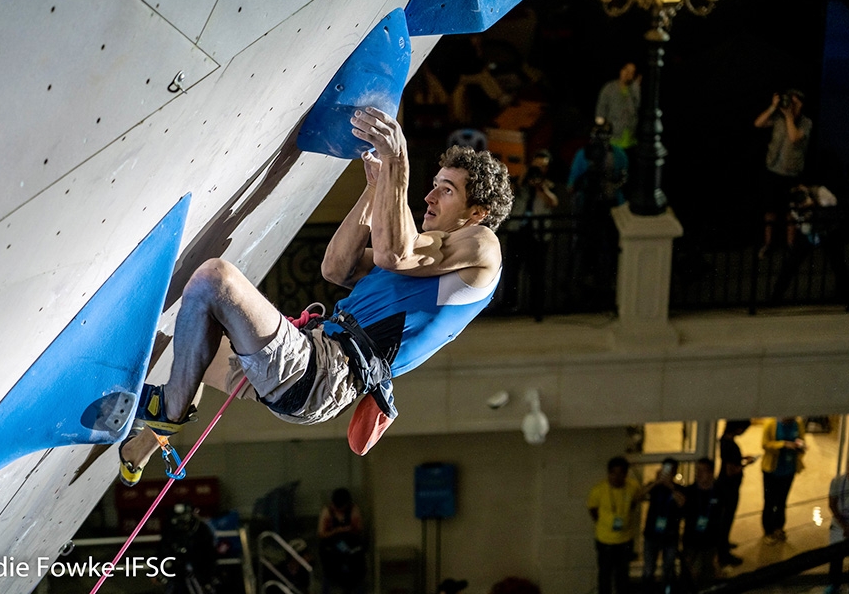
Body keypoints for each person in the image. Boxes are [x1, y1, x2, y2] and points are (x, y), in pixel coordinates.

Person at [118, 106, 514, 485]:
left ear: (477, 213)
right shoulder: (425, 256)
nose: (428, 198)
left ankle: (168, 410)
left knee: (214, 279)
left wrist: (398, 163)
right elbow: (336, 268)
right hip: (314, 359)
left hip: (324, 372)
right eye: (432, 186)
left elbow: (396, 251)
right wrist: (375, 189)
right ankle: (140, 450)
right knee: (191, 347)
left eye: (445, 191)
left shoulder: (482, 245)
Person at [568, 118, 628, 308]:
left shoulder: (618, 154)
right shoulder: (583, 154)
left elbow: (623, 178)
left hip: (610, 206)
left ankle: (606, 285)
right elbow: (571, 185)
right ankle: (582, 285)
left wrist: (611, 180)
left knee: (608, 247)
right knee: (585, 248)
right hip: (588, 207)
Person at [753, 89, 812, 259]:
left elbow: (794, 138)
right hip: (773, 172)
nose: (790, 106)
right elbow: (758, 123)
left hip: (792, 174)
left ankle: (790, 246)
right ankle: (768, 244)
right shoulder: (778, 118)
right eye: (789, 101)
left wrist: (790, 116)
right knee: (770, 210)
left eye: (794, 102)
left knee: (791, 212)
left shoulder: (805, 123)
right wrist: (773, 107)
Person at [769, 184, 849, 306]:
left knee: (838, 264)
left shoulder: (819, 191)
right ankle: (775, 297)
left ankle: (845, 296)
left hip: (828, 231)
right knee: (791, 263)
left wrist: (814, 203)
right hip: (809, 232)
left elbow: (833, 205)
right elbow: (795, 219)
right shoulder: (793, 200)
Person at [501, 149, 558, 317]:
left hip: (537, 234)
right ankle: (509, 305)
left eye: (542, 166)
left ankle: (536, 307)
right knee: (511, 270)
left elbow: (553, 202)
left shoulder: (548, 185)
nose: (538, 169)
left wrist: (540, 187)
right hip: (517, 231)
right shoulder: (521, 184)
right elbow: (508, 195)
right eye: (536, 165)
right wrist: (522, 178)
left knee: (537, 273)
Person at [588, 456, 643, 594]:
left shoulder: (632, 487)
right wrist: (605, 523)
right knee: (605, 576)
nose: (617, 477)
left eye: (621, 473)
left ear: (625, 474)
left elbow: (635, 502)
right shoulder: (598, 490)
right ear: (609, 473)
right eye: (613, 473)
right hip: (605, 540)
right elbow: (593, 509)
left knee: (623, 576)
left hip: (625, 540)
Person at [640, 458, 686, 594]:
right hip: (651, 536)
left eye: (670, 470)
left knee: (668, 570)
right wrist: (656, 482)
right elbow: (639, 496)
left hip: (670, 537)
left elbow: (682, 502)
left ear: (675, 472)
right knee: (648, 570)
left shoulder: (679, 489)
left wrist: (670, 486)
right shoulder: (655, 487)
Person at [715, 420, 756, 567]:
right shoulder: (730, 445)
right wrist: (746, 463)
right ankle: (723, 554)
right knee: (726, 519)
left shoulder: (724, 440)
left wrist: (741, 458)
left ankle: (723, 544)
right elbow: (731, 470)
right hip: (729, 488)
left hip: (723, 486)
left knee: (724, 519)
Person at [760, 417, 807, 544]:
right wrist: (784, 444)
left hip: (789, 470)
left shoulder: (798, 424)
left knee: (782, 502)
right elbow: (765, 444)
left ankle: (778, 528)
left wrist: (800, 445)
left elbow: (802, 440)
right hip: (771, 471)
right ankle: (768, 531)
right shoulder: (771, 423)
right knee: (769, 502)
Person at [158, 502, 218, 594]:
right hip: (176, 573)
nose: (182, 520)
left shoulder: (201, 529)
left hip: (198, 571)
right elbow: (163, 550)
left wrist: (207, 577)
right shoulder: (169, 529)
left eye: (185, 515)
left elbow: (209, 554)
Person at [682, 458, 723, 590]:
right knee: (690, 576)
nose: (698, 474)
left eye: (703, 471)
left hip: (709, 542)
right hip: (692, 541)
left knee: (707, 576)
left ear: (711, 473)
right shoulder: (689, 491)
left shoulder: (719, 491)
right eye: (697, 471)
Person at [318, 488, 366, 594]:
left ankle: (354, 586)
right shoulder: (328, 511)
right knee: (330, 563)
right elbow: (321, 533)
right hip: (332, 544)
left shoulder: (353, 509)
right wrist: (336, 531)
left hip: (350, 543)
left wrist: (349, 529)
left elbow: (359, 529)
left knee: (357, 561)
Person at [595, 62, 640, 153]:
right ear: (621, 70)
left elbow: (636, 107)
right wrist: (602, 125)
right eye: (626, 70)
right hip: (613, 137)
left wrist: (636, 88)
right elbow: (601, 108)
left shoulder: (634, 89)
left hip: (630, 136)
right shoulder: (609, 87)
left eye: (631, 72)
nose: (627, 74)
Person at [827, 466, 849, 594]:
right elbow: (832, 504)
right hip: (839, 526)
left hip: (843, 525)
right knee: (835, 556)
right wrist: (844, 525)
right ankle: (834, 585)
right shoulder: (837, 482)